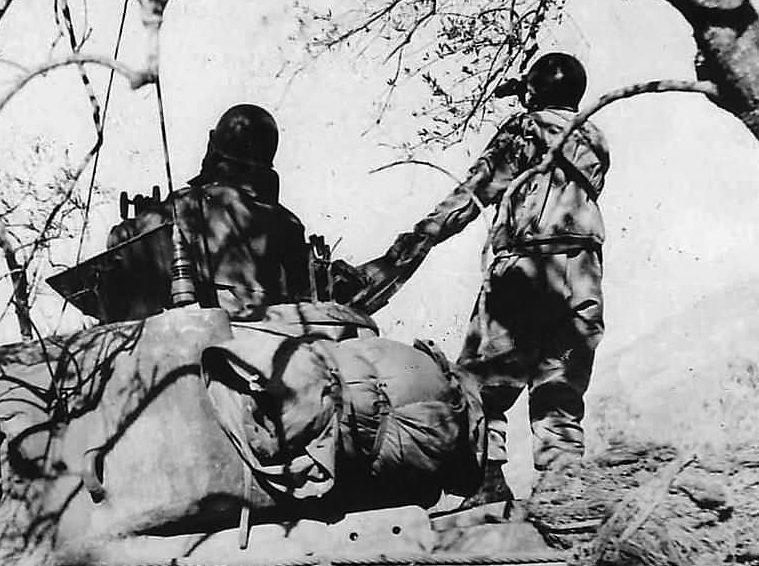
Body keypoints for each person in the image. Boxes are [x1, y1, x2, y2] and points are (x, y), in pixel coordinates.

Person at [333, 53, 611, 505]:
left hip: (526, 269)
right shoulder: (594, 137)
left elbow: (472, 194)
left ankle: (488, 482)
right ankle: (564, 494)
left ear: (535, 91)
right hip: (583, 273)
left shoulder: (526, 131)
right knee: (560, 386)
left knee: (482, 382)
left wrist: (415, 242)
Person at [108, 104, 310, 315]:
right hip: (267, 337)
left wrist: (147, 216)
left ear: (215, 150)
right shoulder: (289, 223)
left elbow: (118, 241)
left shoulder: (188, 203)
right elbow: (301, 289)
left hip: (206, 332)